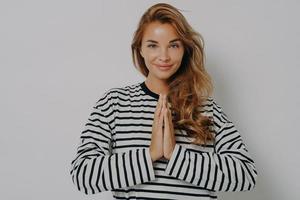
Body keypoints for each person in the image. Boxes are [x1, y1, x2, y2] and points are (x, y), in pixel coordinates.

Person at [70, 3, 257, 199]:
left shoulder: (207, 109)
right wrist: (150, 155)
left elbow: (246, 174)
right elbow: (83, 174)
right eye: (153, 45)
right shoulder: (114, 104)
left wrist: (175, 155)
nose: (164, 56)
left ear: (185, 49)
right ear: (139, 49)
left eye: (174, 45)